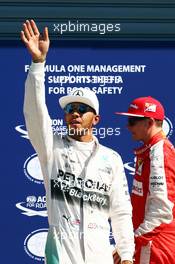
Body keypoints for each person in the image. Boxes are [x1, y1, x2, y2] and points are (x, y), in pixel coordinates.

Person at [21, 19, 134, 264]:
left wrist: (126, 255)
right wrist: (38, 64)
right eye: (70, 108)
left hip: (101, 256)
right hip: (62, 255)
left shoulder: (111, 158)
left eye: (82, 109)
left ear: (96, 119)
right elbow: (34, 113)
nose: (75, 112)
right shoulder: (51, 148)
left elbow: (121, 211)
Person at [116, 96, 175, 264]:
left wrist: (131, 242)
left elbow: (162, 211)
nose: (128, 126)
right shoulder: (152, 150)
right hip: (149, 242)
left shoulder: (160, 153)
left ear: (149, 122)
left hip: (155, 245)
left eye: (133, 120)